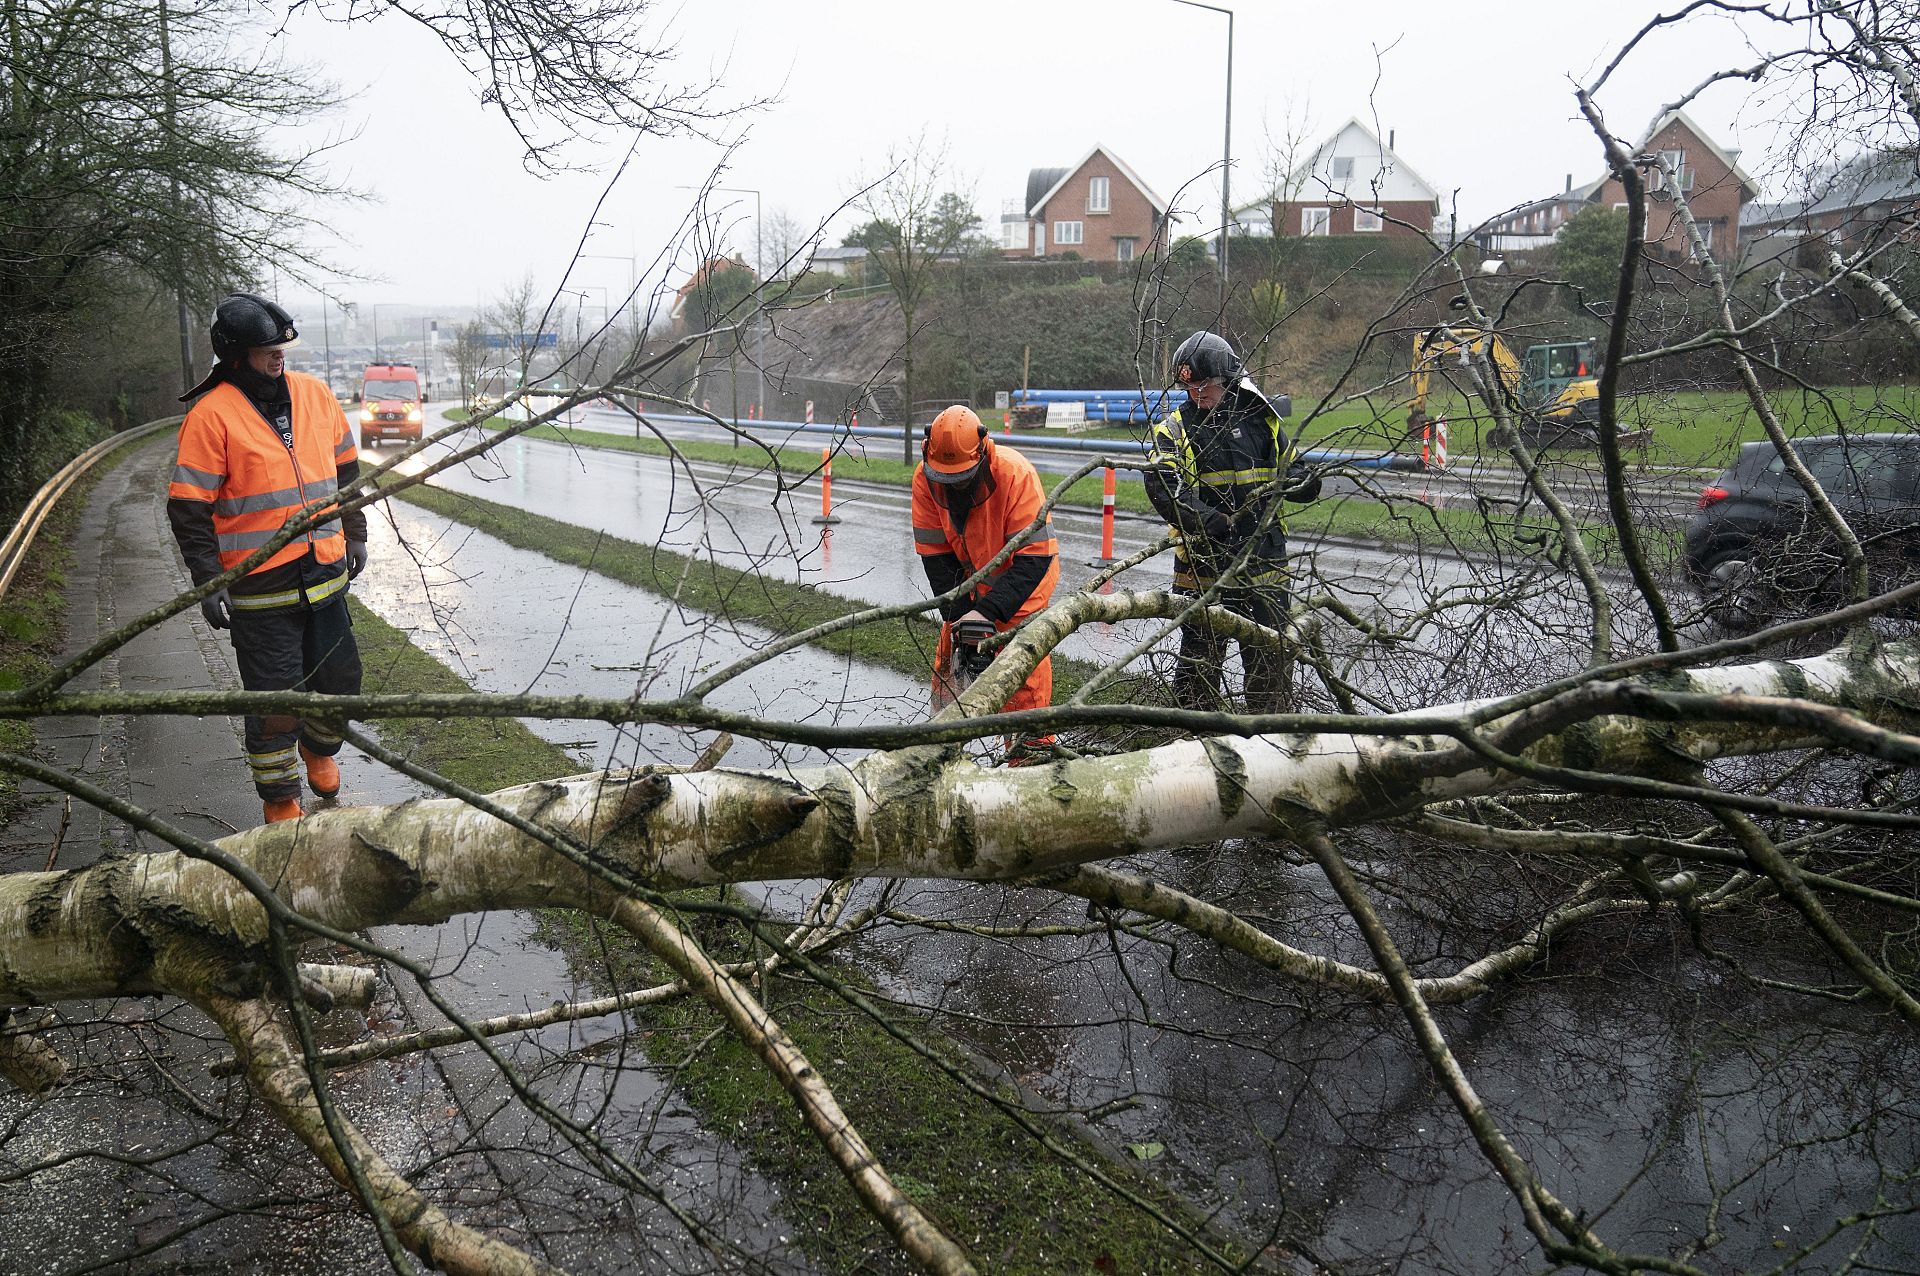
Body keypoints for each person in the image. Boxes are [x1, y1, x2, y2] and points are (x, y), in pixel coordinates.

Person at [167, 293, 369, 824]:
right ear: (235, 355)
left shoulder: (315, 395)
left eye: (281, 347)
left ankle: (319, 749)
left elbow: (346, 470)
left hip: (324, 573)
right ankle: (280, 798)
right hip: (260, 586)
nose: (279, 356)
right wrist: (208, 582)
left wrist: (355, 531)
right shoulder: (211, 416)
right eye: (266, 349)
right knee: (275, 702)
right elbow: (189, 508)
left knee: (341, 682)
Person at [1144, 330, 1320, 715]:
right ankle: (1194, 751)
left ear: (1227, 378)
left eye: (1204, 385)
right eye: (1189, 387)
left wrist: (1303, 482)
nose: (1196, 395)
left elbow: (1299, 472)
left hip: (1265, 568)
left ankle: (1268, 745)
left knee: (1270, 670)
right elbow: (1164, 490)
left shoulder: (1263, 420)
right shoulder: (1173, 429)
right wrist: (1214, 522)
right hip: (1205, 570)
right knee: (1198, 673)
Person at [911, 405, 1060, 764]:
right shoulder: (925, 480)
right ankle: (939, 762)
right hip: (967, 591)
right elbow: (936, 560)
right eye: (946, 480)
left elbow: (1034, 559)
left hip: (1020, 595)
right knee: (947, 679)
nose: (954, 488)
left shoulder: (1015, 474)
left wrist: (990, 613)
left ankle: (1029, 768)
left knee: (1024, 693)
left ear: (982, 454)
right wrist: (963, 617)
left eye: (962, 479)